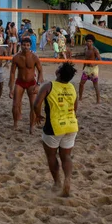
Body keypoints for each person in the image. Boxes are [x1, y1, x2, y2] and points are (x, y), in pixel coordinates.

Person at [32, 61, 78, 197]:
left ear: (58, 73)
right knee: (66, 156)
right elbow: (75, 108)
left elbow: (36, 104)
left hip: (54, 126)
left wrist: (38, 115)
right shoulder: (72, 88)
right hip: (71, 125)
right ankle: (68, 179)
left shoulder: (49, 85)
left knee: (51, 156)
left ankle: (57, 182)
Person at [9, 37, 44, 133]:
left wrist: (38, 84)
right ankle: (15, 123)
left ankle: (31, 126)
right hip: (19, 82)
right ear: (21, 45)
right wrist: (11, 88)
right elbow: (12, 73)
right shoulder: (16, 57)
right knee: (15, 105)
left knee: (33, 105)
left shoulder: (34, 57)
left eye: (27, 45)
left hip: (31, 83)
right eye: (24, 45)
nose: (25, 47)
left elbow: (40, 72)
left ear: (30, 46)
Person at [79, 34, 101, 103]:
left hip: (93, 69)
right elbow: (85, 58)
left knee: (95, 84)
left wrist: (94, 64)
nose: (88, 42)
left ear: (92, 42)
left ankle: (98, 100)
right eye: (87, 41)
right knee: (81, 83)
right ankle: (80, 98)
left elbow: (100, 60)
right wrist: (84, 66)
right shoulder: (85, 49)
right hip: (87, 68)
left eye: (90, 41)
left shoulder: (95, 50)